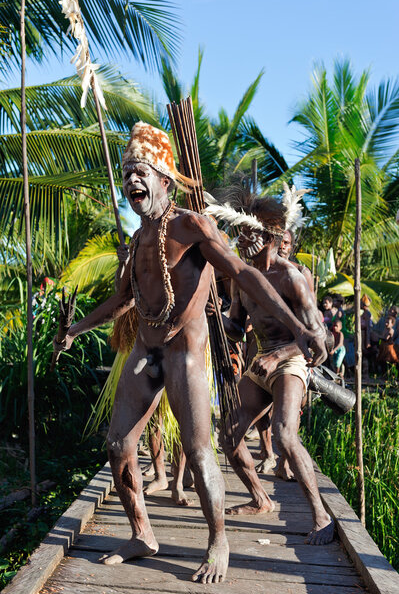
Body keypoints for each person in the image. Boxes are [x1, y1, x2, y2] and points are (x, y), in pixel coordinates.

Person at [53, 122, 326, 584]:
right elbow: (122, 301)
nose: (132, 181)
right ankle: (142, 532)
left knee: (200, 452)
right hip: (146, 344)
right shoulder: (139, 240)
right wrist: (75, 331)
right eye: (127, 174)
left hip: (185, 349)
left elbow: (242, 272)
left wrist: (301, 327)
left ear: (164, 177)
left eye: (141, 172)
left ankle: (218, 540)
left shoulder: (191, 225)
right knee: (118, 445)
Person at [213, 195, 334, 545]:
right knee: (228, 435)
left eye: (245, 233)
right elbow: (237, 327)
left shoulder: (291, 277)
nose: (238, 239)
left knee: (284, 434)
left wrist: (279, 355)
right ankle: (260, 498)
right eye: (237, 232)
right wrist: (216, 318)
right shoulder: (242, 278)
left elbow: (320, 340)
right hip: (261, 360)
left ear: (268, 237)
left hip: (291, 361)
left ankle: (321, 516)